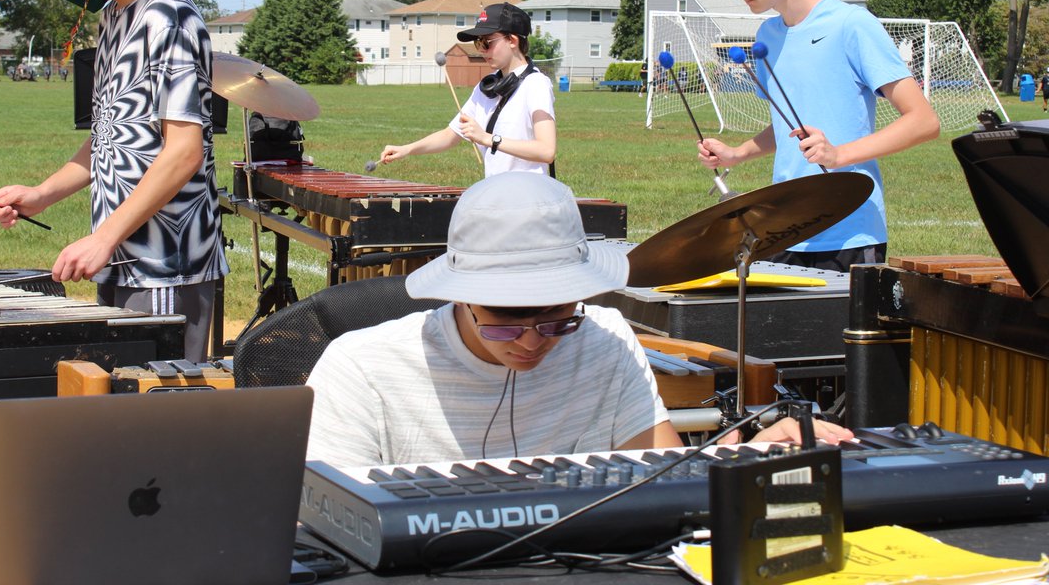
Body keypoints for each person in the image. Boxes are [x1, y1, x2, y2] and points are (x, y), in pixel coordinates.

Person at [305, 172, 852, 468]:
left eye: (556, 319)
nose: (530, 341)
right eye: (504, 320)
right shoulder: (363, 367)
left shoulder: (607, 341)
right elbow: (322, 521)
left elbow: (663, 473)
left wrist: (747, 454)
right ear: (461, 296)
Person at [0, 0, 228, 362]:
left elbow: (183, 152)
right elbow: (110, 138)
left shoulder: (170, 19)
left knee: (161, 419)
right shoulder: (114, 19)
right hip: (120, 259)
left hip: (166, 265)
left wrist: (103, 236)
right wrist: (40, 195)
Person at [697, 0, 940, 272]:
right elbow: (790, 128)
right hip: (782, 232)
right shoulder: (768, 36)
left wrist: (839, 155)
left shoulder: (851, 25)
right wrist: (737, 153)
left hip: (849, 235)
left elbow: (923, 121)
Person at [379, 3, 556, 177]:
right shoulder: (487, 87)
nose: (482, 51)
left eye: (487, 43)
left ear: (512, 40)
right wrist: (407, 149)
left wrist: (488, 138)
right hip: (496, 193)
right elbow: (450, 135)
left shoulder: (536, 84)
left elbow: (546, 150)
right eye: (478, 43)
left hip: (529, 196)